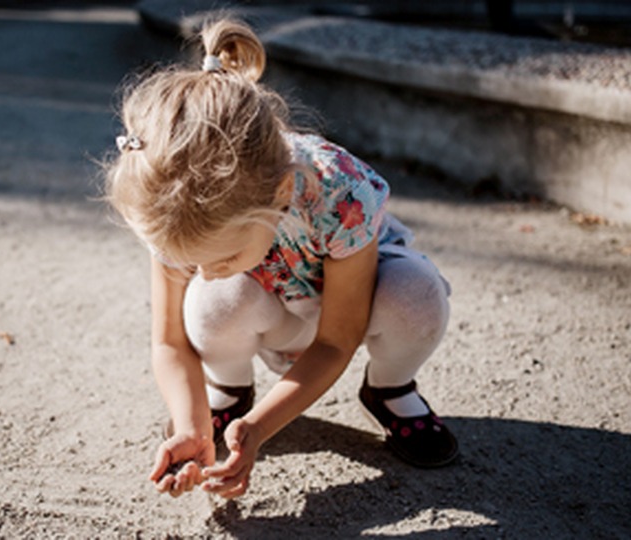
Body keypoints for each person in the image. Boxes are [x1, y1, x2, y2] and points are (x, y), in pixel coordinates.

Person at [104, 19, 458, 499]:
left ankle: (390, 389)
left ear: (282, 192)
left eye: (224, 254)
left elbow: (338, 340)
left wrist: (261, 428)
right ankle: (228, 391)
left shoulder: (338, 188)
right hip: (268, 316)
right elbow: (170, 342)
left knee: (416, 294)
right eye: (191, 259)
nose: (202, 272)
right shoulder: (171, 197)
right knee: (211, 300)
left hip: (347, 311)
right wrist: (191, 426)